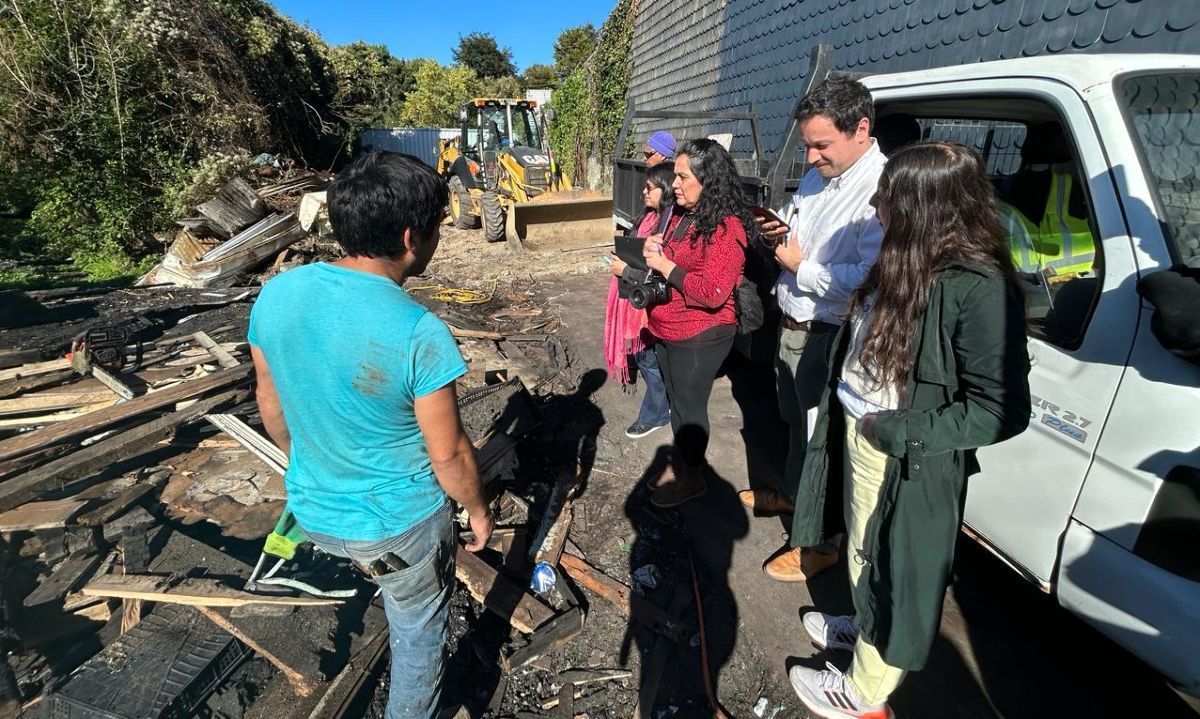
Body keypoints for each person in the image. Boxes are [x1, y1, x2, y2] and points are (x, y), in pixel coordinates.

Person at [786, 141, 1031, 719]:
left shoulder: (977, 286)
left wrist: (896, 432)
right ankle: (865, 625)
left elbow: (1001, 410)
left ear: (930, 206)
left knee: (886, 559)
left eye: (889, 196)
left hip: (897, 445)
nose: (876, 205)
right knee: (861, 547)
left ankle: (866, 689)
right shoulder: (909, 254)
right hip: (860, 424)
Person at [248, 152, 494, 719]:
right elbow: (451, 454)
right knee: (418, 635)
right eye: (438, 225)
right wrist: (477, 507)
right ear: (412, 236)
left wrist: (306, 467)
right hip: (397, 530)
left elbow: (270, 401)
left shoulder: (277, 295)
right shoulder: (417, 331)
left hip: (313, 513)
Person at [750, 77, 887, 582]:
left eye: (820, 144)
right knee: (795, 424)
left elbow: (867, 280)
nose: (809, 157)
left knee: (819, 440)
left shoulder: (880, 189)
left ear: (861, 129)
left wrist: (800, 264)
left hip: (827, 334)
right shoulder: (820, 176)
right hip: (792, 324)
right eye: (807, 144)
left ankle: (818, 543)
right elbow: (799, 224)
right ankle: (790, 495)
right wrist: (779, 228)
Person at [641, 138, 750, 508]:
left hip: (700, 333)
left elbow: (713, 292)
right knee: (676, 402)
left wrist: (665, 265)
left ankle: (693, 478)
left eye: (682, 177)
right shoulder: (685, 216)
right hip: (668, 326)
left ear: (708, 180)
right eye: (675, 176)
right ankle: (685, 464)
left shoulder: (726, 227)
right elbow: (673, 260)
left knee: (689, 408)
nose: (674, 184)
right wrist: (655, 247)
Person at [605, 162, 677, 438]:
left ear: (666, 189)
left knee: (648, 359)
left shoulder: (668, 226)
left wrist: (626, 271)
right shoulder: (647, 217)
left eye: (650, 188)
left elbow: (658, 271)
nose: (644, 193)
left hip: (648, 304)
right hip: (632, 297)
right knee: (645, 357)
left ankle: (657, 413)